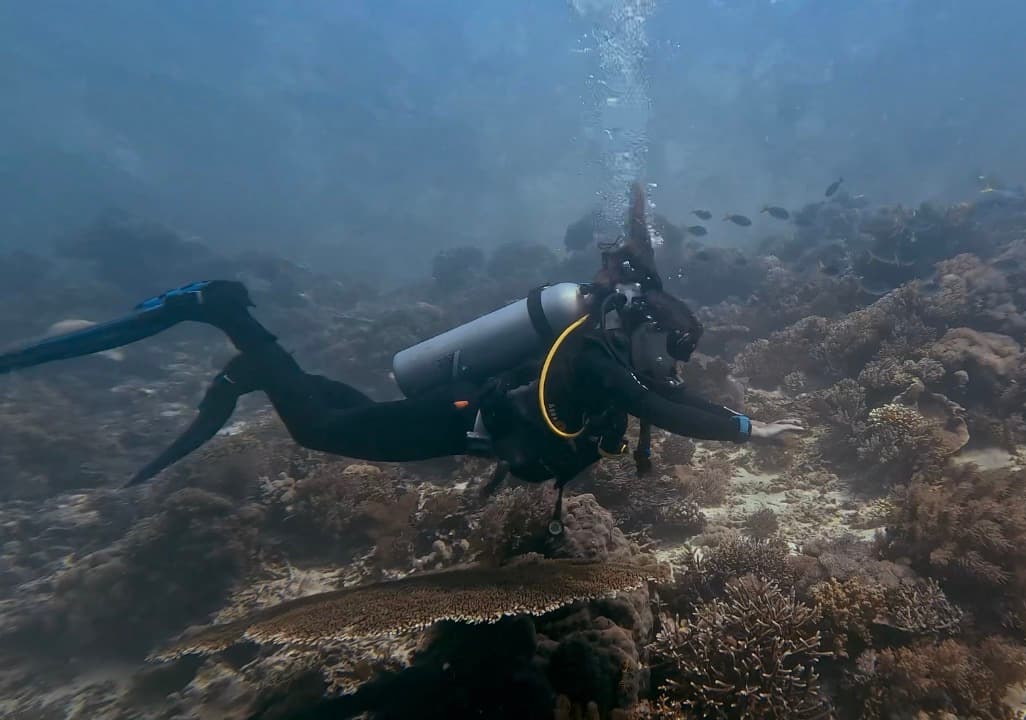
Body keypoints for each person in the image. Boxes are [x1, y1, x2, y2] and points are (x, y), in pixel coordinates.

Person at [0, 185, 803, 531]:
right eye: (673, 347)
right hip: (462, 421)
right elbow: (662, 409)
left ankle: (260, 371)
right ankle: (230, 315)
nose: (673, 363)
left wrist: (634, 233)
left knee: (350, 413)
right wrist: (748, 430)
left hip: (468, 418)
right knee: (321, 429)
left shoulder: (612, 348)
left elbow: (654, 361)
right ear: (644, 331)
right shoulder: (597, 361)